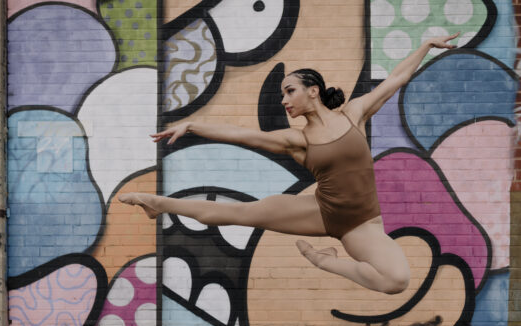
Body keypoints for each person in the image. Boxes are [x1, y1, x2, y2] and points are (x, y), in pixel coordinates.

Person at [119, 32, 460, 294]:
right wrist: (192, 125)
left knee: (396, 281)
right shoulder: (297, 140)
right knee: (239, 213)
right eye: (283, 94)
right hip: (321, 212)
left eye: (290, 91)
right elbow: (240, 135)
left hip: (362, 224)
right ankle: (158, 203)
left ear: (313, 90)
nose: (284, 100)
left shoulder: (354, 114)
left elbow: (395, 80)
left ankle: (323, 261)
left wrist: (425, 45)